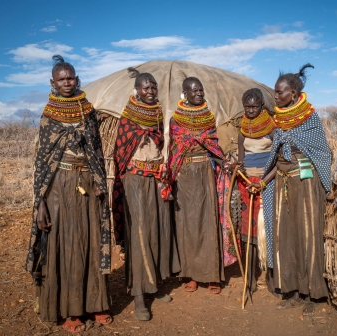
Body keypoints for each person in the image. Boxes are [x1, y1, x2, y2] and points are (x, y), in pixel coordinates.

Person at [25, 55, 111, 333]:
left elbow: (96, 150)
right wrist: (40, 204)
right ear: (52, 83)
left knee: (90, 241)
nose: (66, 82)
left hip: (86, 181)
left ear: (77, 79)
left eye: (70, 77)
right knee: (65, 245)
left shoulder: (88, 112)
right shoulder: (49, 115)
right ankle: (68, 311)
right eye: (61, 79)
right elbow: (41, 162)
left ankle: (96, 304)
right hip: (58, 185)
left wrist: (99, 180)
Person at [261, 64, 331, 316]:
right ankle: (292, 291)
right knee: (286, 235)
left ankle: (311, 292)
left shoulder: (310, 119)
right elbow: (277, 154)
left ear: (293, 93)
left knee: (307, 235)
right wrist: (266, 178)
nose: (276, 96)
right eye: (275, 92)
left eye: (280, 92)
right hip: (282, 182)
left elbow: (321, 152)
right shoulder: (278, 120)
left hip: (305, 182)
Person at [112, 69, 179, 321]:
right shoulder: (127, 118)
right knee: (139, 235)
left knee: (156, 231)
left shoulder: (157, 114)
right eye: (145, 87)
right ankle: (139, 295)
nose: (150, 91)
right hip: (135, 181)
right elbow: (122, 151)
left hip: (155, 180)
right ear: (136, 90)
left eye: (153, 87)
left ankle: (154, 286)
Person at [166, 77, 235, 294]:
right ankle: (192, 274)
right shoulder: (175, 120)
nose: (199, 94)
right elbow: (176, 146)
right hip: (184, 174)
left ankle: (212, 275)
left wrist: (226, 162)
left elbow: (212, 143)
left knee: (208, 221)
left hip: (205, 171)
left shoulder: (209, 117)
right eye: (194, 91)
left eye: (201, 90)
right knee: (187, 224)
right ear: (184, 93)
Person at [235, 88, 276, 293]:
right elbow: (241, 157)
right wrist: (238, 167)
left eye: (255, 106)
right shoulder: (242, 129)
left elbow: (278, 158)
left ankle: (271, 277)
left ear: (262, 106)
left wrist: (264, 179)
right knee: (248, 231)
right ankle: (249, 280)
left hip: (267, 183)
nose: (251, 110)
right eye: (247, 106)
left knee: (268, 229)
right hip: (247, 184)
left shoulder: (271, 127)